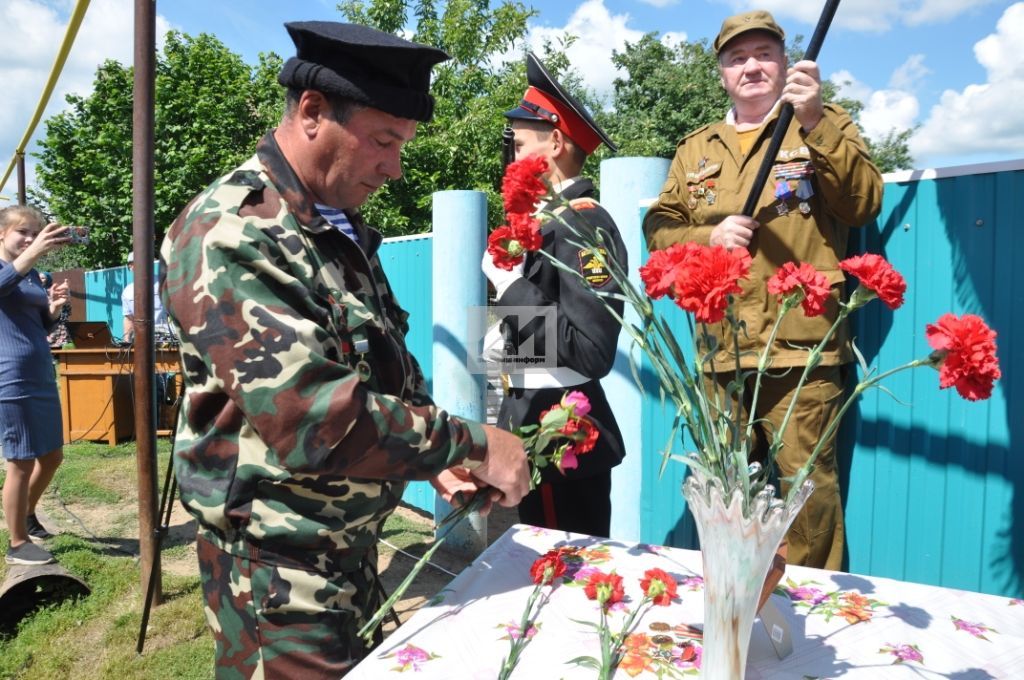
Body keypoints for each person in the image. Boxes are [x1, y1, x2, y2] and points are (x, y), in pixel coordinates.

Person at [158, 21, 530, 678]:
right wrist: (472, 443)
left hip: (341, 553)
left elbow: (378, 363)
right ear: (311, 112)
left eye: (403, 145)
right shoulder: (233, 230)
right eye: (384, 142)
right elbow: (310, 417)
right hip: (277, 574)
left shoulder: (335, 226)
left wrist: (427, 464)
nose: (395, 167)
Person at [643, 10, 883, 570]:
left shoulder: (826, 123)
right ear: (722, 73)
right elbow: (659, 229)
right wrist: (709, 234)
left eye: (763, 54)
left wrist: (816, 119)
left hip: (798, 348)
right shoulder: (696, 149)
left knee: (806, 492)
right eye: (736, 58)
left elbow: (863, 204)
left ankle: (807, 614)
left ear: (784, 61)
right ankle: (733, 606)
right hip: (719, 349)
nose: (751, 66)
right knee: (723, 495)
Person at [481, 53, 627, 538]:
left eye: (520, 144)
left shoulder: (584, 220)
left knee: (565, 580)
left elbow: (591, 350)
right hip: (535, 422)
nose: (511, 156)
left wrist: (511, 289)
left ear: (556, 143)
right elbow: (537, 336)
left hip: (564, 432)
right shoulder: (549, 223)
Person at [0, 206, 71, 566]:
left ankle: (26, 513)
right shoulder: (12, 269)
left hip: (40, 372)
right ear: (1, 234)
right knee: (21, 462)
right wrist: (33, 253)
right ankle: (16, 542)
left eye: (35, 232)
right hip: (9, 375)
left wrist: (53, 308)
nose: (30, 238)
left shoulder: (30, 277)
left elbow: (38, 326)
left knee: (52, 456)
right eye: (22, 232)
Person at [121, 251, 174, 343]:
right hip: (140, 341)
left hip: (166, 340)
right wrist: (126, 342)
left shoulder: (164, 283)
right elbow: (129, 318)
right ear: (130, 267)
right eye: (133, 264)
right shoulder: (127, 291)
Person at [42, 271, 71, 349]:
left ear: (48, 279)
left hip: (57, 320)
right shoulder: (37, 291)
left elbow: (65, 305)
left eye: (43, 278)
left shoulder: (54, 290)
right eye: (39, 278)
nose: (41, 280)